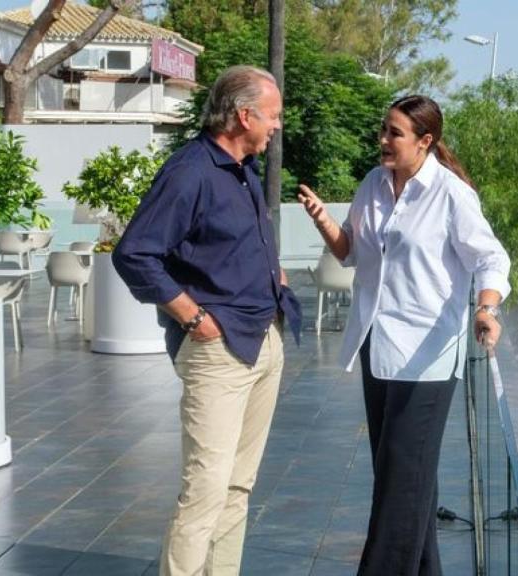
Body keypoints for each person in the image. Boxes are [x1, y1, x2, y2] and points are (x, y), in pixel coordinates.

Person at [297, 94, 511, 575]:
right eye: (384, 130)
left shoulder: (452, 194)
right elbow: (351, 252)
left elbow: (490, 259)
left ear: (425, 141)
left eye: (394, 133)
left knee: (400, 479)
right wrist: (325, 221)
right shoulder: (374, 183)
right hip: (378, 345)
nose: (383, 141)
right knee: (401, 476)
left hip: (429, 355)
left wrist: (486, 307)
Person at [112, 65, 301, 576]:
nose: (277, 126)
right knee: (206, 488)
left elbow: (221, 246)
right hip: (218, 351)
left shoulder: (242, 169)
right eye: (273, 116)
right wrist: (194, 317)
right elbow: (134, 255)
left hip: (262, 339)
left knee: (238, 487)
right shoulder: (191, 170)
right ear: (244, 116)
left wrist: (269, 274)